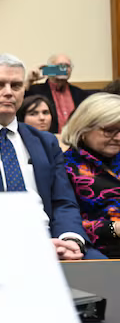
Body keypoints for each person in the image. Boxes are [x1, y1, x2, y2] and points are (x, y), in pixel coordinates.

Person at [0, 54, 104, 260]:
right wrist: (33, 245)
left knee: (105, 272)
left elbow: (63, 202)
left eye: (16, 85)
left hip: (53, 239)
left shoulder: (45, 141)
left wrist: (70, 239)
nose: (8, 92)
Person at [61, 93, 120, 258]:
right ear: (84, 129)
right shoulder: (65, 166)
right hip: (96, 250)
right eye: (109, 131)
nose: (118, 138)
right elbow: (64, 221)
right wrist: (112, 228)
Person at [25, 54, 87, 133]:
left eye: (67, 66)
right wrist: (29, 81)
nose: (63, 69)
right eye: (59, 66)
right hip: (46, 139)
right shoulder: (35, 91)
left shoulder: (80, 93)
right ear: (49, 69)